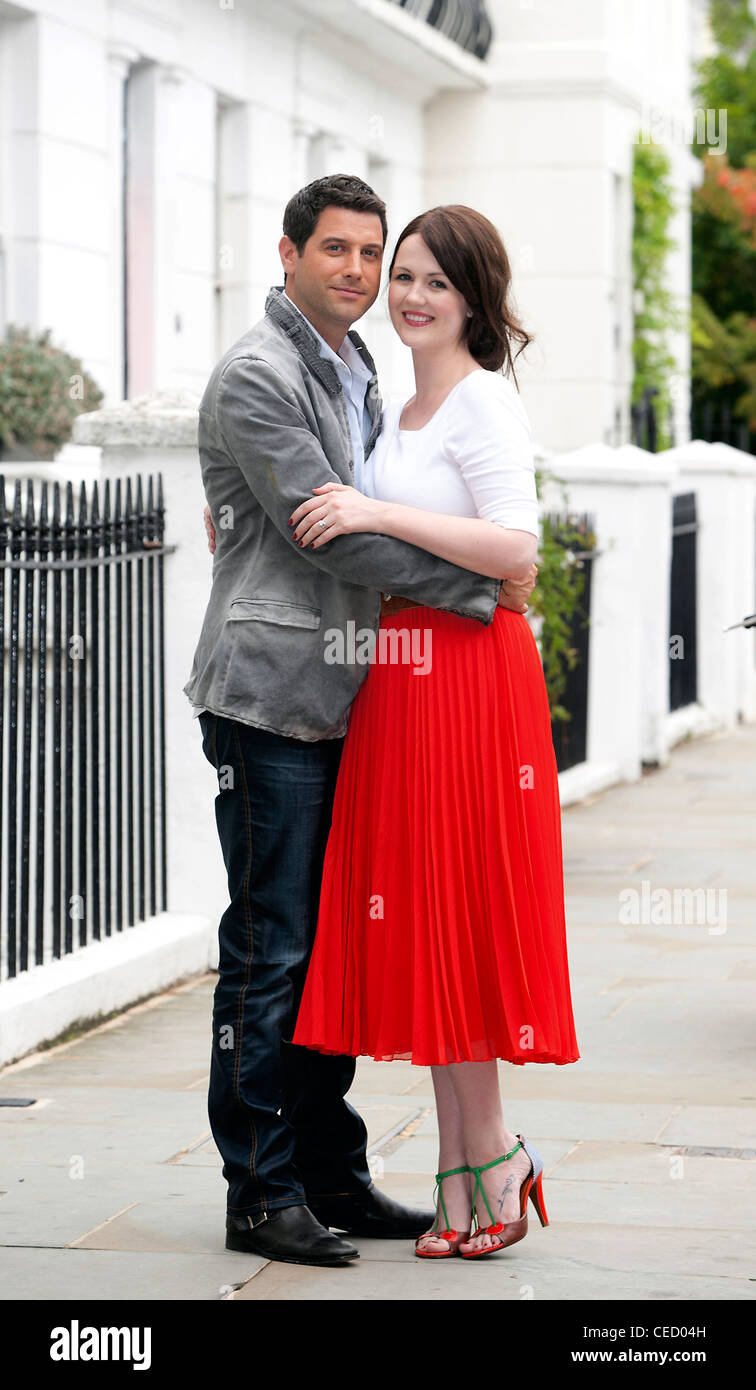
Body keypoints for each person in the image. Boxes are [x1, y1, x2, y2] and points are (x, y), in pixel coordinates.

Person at [185, 174, 536, 1269]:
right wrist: (477, 591)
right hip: (273, 698)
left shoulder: (358, 369)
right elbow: (322, 532)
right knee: (271, 949)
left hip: (357, 696)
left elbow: (378, 504)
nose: (361, 273)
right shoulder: (258, 373)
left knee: (325, 943)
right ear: (285, 254)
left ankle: (330, 1171)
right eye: (336, 249)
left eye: (372, 255)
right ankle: (262, 1189)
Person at [290, 204, 580, 1259]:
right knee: (428, 920)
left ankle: (493, 1152)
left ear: (472, 300)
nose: (408, 294)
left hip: (470, 675)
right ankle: (467, 1168)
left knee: (464, 907)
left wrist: (376, 515)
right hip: (401, 681)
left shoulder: (482, 400)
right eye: (401, 274)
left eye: (433, 282)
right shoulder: (392, 405)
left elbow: (515, 547)